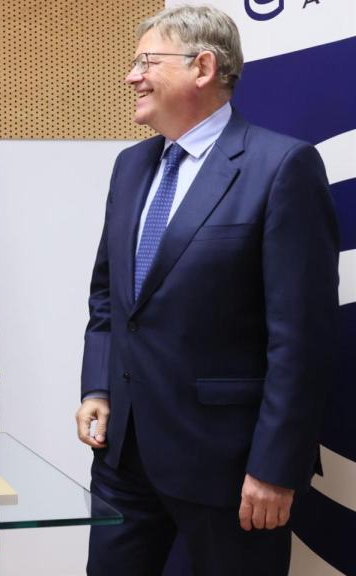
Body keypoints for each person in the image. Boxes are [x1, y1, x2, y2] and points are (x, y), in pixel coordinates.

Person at [74, 6, 338, 575]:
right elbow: (110, 299)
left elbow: (302, 339)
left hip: (230, 470)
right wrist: (98, 385)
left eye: (147, 60)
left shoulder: (281, 167)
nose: (131, 76)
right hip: (124, 461)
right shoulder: (130, 166)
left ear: (203, 67)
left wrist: (275, 467)